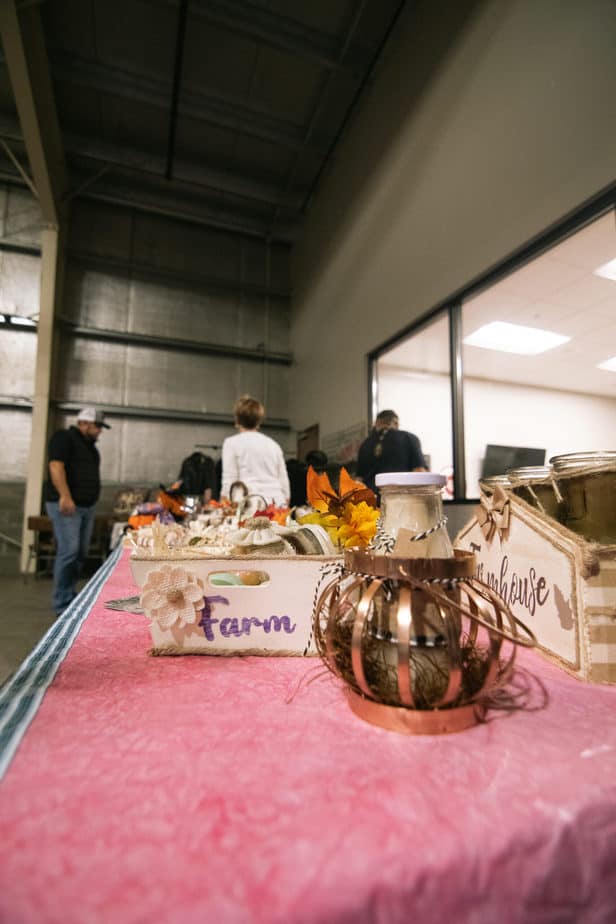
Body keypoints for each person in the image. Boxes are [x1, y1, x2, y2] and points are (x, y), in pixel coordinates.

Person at [44, 406, 110, 615]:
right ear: (84, 423)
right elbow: (56, 467)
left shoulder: (91, 448)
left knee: (80, 553)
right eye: (97, 426)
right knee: (69, 551)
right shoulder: (64, 438)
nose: (100, 431)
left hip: (85, 507)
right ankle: (62, 603)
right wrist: (65, 495)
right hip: (67, 504)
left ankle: (70, 596)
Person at [221, 395, 290, 507]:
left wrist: (224, 504)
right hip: (276, 503)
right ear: (259, 420)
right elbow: (284, 481)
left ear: (237, 419)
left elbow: (229, 481)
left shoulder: (231, 443)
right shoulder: (273, 445)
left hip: (248, 504)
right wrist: (285, 504)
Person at [356, 409, 427, 494]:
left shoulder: (365, 444)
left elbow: (358, 480)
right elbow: (419, 473)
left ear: (377, 423)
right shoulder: (409, 438)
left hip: (370, 502)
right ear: (396, 423)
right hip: (400, 499)